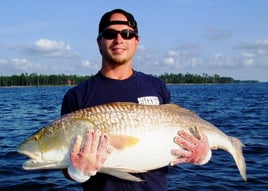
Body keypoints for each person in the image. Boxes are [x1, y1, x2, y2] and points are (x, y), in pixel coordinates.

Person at [61, 8, 211, 191]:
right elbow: (66, 168)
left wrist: (202, 154)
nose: (119, 40)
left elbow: (177, 138)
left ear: (136, 41)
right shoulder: (77, 96)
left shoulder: (157, 87)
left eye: (127, 34)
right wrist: (78, 172)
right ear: (99, 41)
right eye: (110, 34)